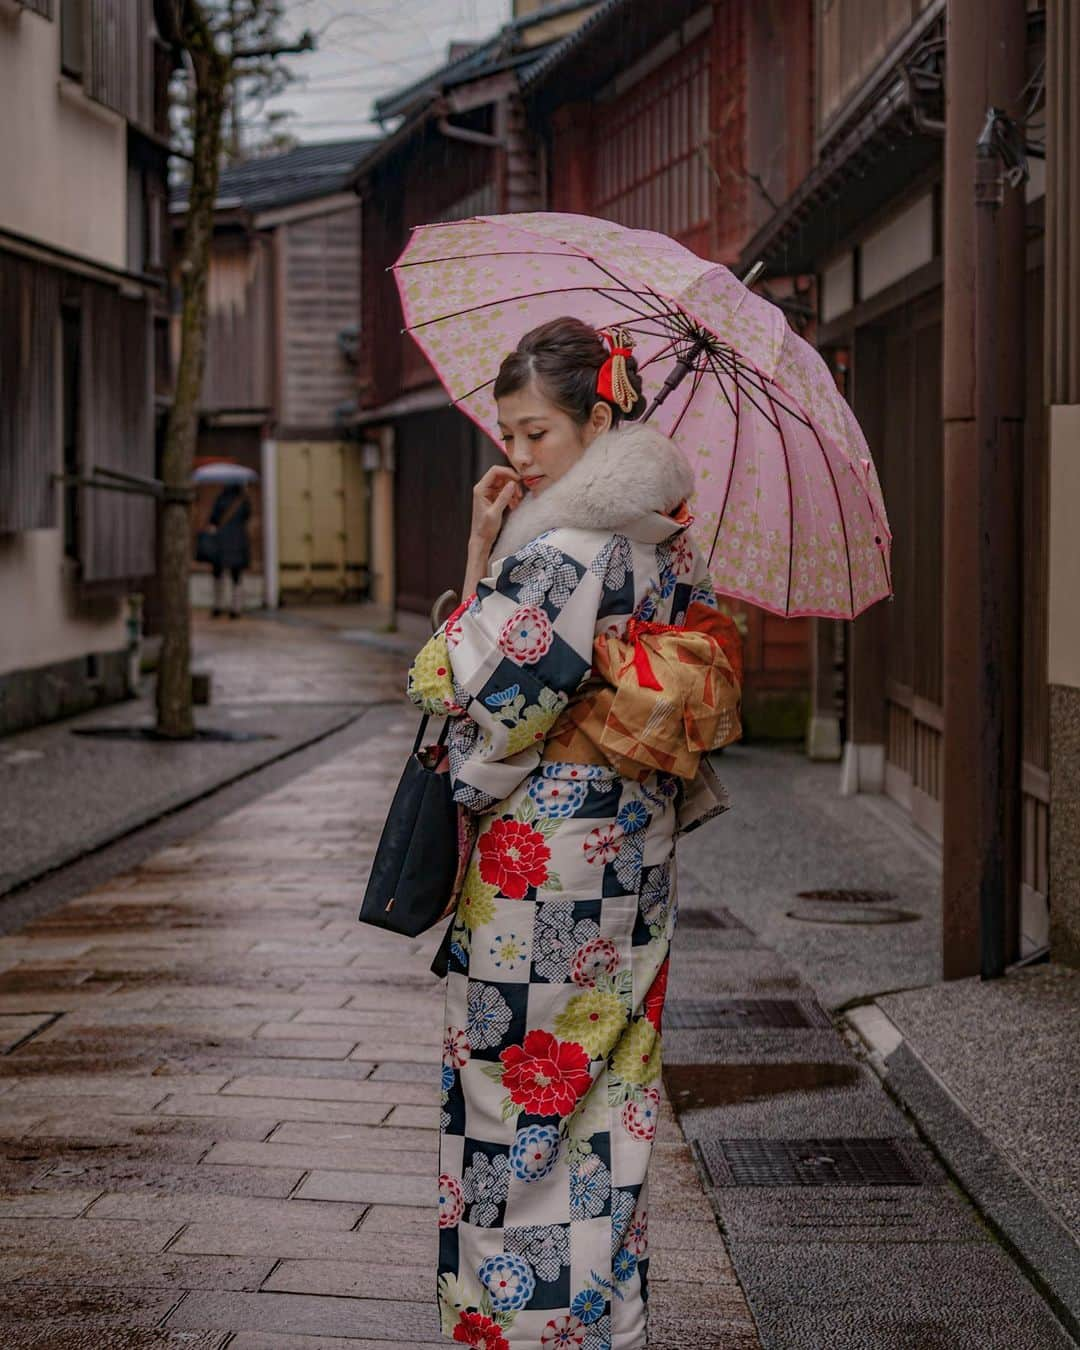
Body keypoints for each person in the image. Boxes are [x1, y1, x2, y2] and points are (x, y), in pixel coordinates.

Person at [407, 316, 742, 1350]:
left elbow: (485, 702)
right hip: (633, 848)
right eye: (508, 433)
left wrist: (469, 597)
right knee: (610, 1086)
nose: (518, 454)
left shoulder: (562, 546)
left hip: (541, 858)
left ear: (600, 418)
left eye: (537, 433)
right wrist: (483, 550)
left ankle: (523, 1323)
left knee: (517, 1089)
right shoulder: (666, 535)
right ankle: (606, 1318)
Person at [206, 483, 251, 618]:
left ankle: (218, 605)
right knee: (236, 576)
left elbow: (213, 519)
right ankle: (235, 608)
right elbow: (247, 516)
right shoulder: (243, 500)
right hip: (238, 541)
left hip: (221, 541)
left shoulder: (221, 498)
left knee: (218, 574)